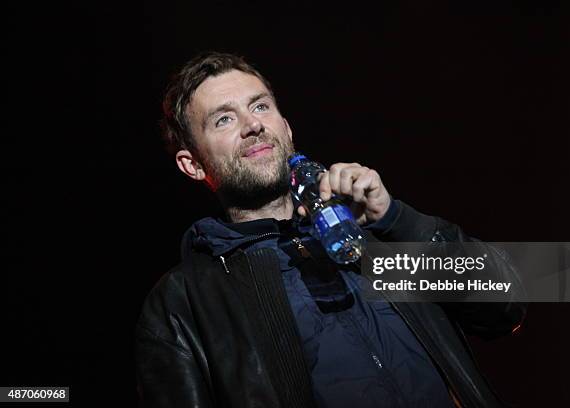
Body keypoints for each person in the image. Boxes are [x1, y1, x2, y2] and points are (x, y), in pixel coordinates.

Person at [135, 52, 526, 408]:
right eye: (224, 119)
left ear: (286, 128)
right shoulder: (186, 301)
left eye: (260, 106)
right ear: (193, 165)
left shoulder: (374, 237)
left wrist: (395, 219)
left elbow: (505, 305)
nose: (252, 125)